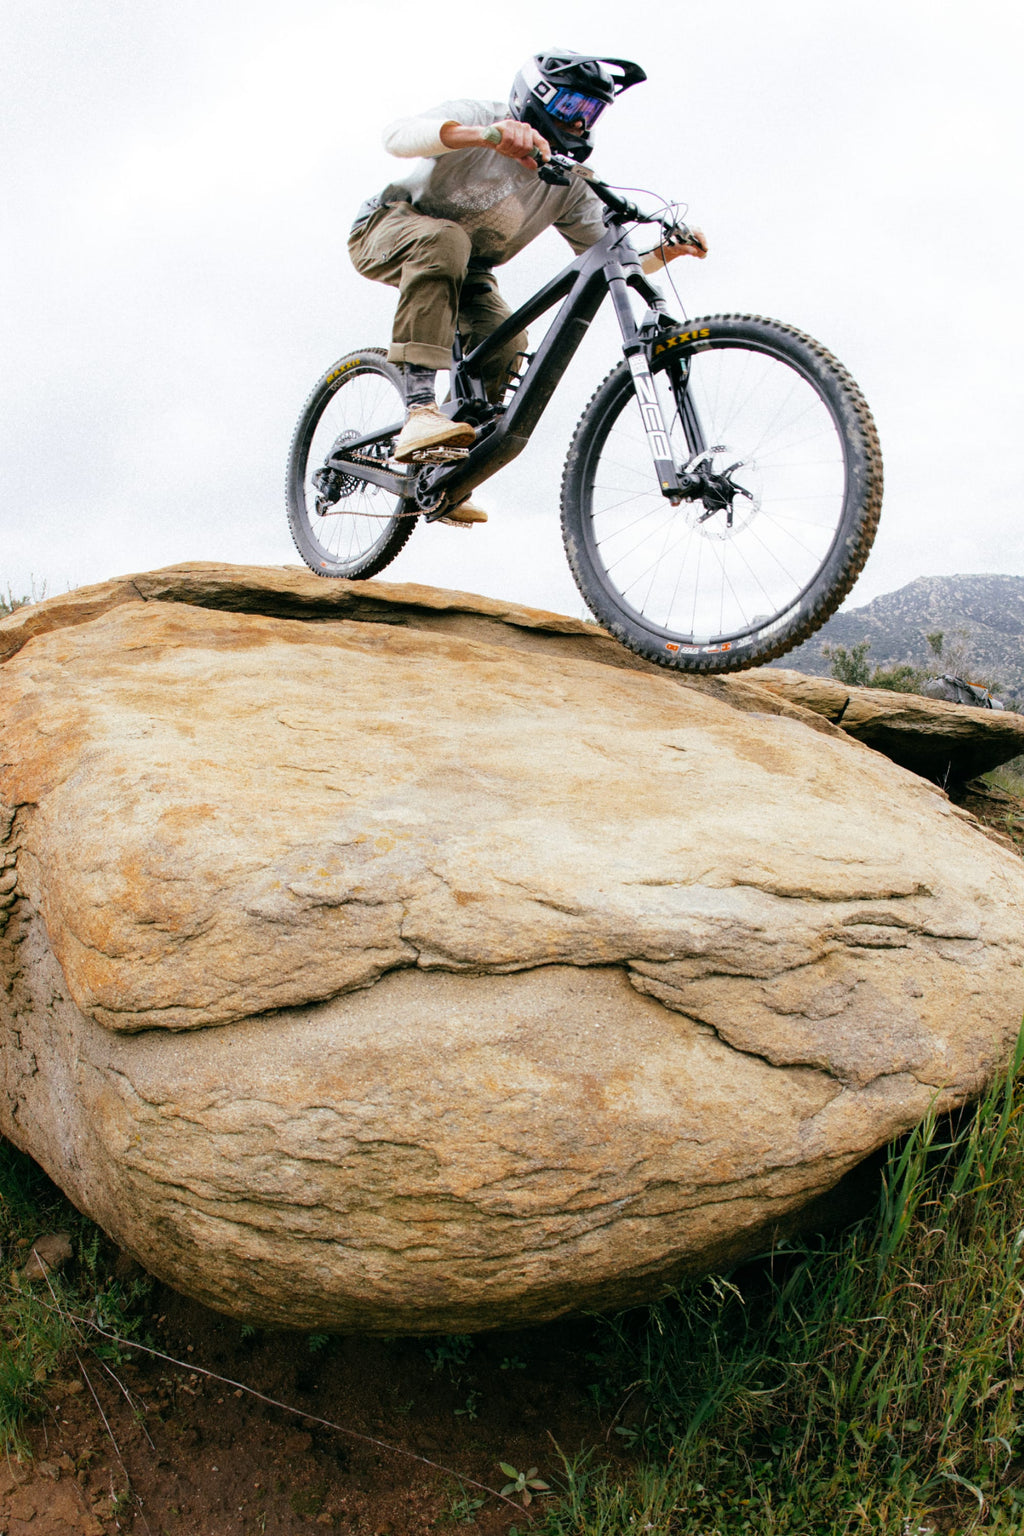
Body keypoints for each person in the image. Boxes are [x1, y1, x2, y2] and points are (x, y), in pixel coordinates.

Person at [348, 52, 707, 525]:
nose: (579, 120)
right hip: (390, 224)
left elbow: (615, 259)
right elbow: (396, 137)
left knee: (508, 341)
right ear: (535, 96)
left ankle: (446, 479)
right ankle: (420, 410)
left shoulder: (567, 183)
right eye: (572, 104)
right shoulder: (482, 117)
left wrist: (668, 253)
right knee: (444, 240)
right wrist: (487, 137)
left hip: (467, 266)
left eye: (591, 112)